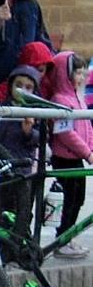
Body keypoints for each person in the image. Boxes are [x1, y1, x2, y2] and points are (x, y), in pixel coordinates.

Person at [45, 52, 93, 258]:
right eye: (78, 73)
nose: (81, 78)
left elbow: (86, 127)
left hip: (77, 157)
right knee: (69, 198)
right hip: (64, 158)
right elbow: (65, 133)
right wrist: (87, 152)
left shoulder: (77, 98)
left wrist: (90, 149)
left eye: (83, 73)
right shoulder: (60, 100)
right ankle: (62, 237)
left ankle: (69, 235)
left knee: (78, 197)